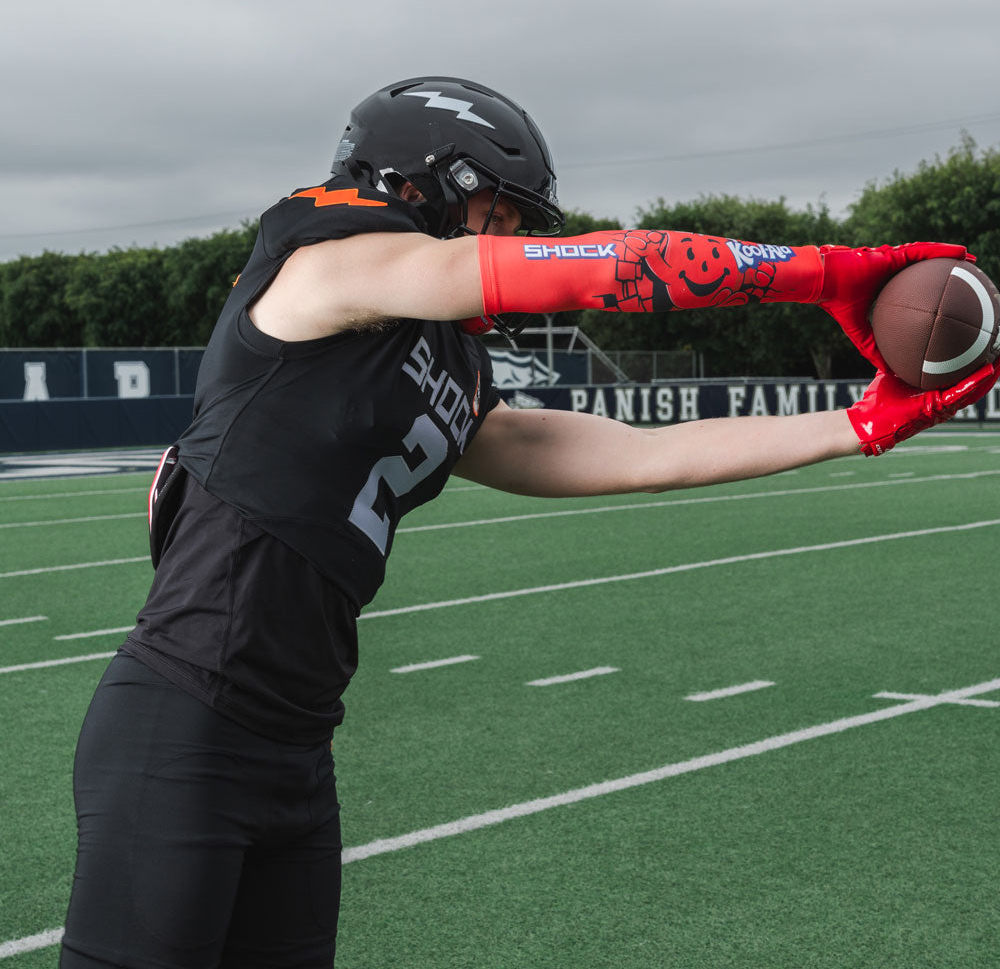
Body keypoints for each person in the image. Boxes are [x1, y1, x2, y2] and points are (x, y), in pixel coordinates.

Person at [60, 76, 999, 968]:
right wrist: (825, 272)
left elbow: (635, 456)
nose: (509, 235)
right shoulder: (321, 263)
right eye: (498, 211)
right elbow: (596, 271)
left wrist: (856, 424)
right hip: (184, 721)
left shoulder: (440, 366)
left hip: (297, 744)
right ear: (421, 182)